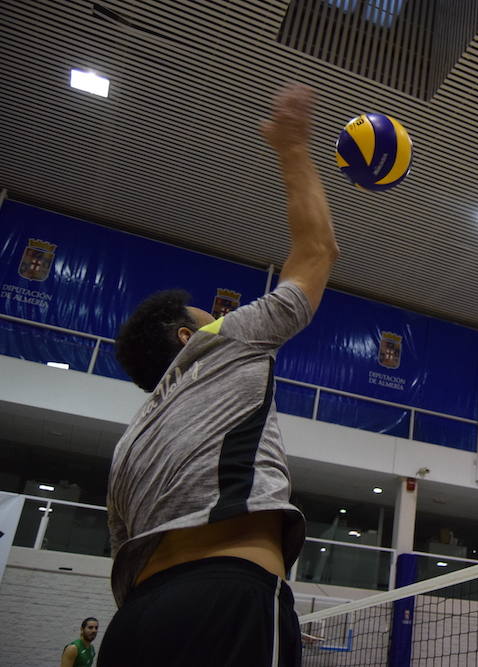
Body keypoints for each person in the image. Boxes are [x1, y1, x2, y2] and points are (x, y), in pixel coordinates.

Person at [100, 83, 339, 666]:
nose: (218, 313)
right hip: (227, 602)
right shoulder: (221, 341)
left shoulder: (129, 443)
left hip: (132, 625)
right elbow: (316, 252)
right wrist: (292, 147)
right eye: (205, 312)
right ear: (188, 335)